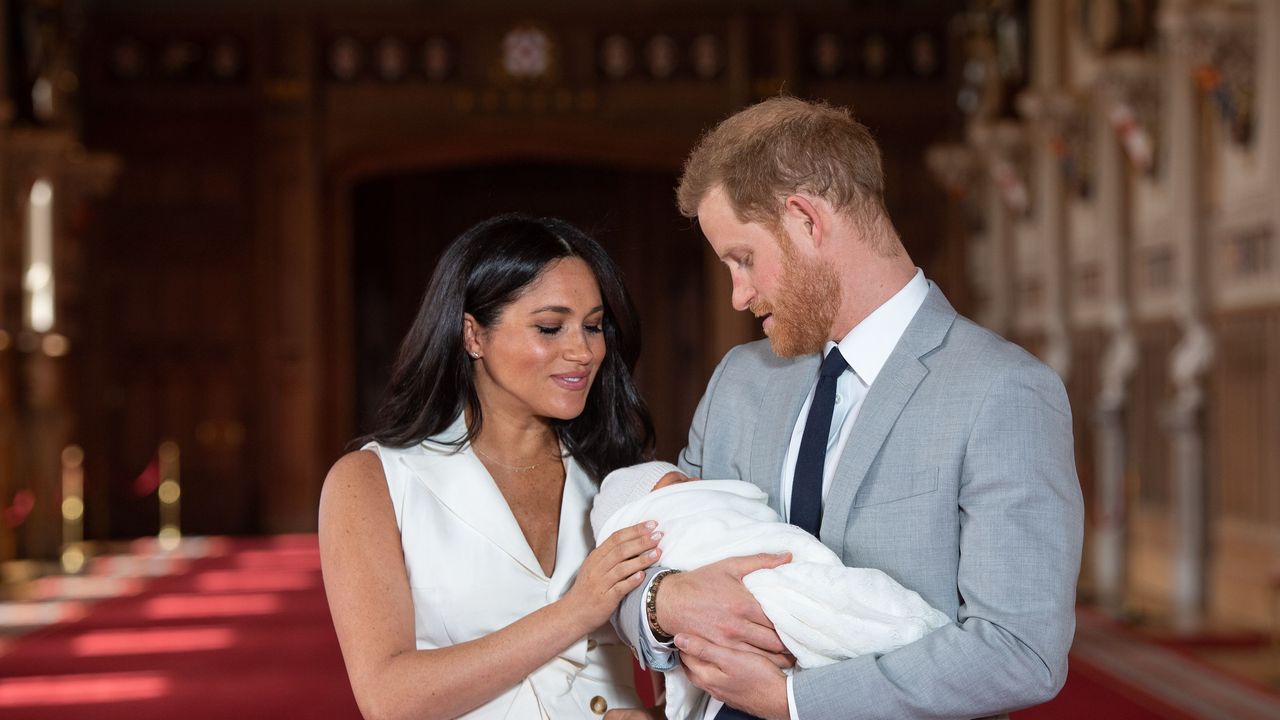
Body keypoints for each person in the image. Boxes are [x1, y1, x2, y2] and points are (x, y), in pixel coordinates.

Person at [614, 97, 1084, 720]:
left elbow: (1021, 650)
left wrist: (794, 702)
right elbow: (642, 553)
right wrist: (662, 603)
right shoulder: (740, 380)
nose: (738, 295)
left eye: (744, 259)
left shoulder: (1003, 391)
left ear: (806, 220)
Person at [319, 214, 666, 720]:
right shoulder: (373, 481)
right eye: (550, 327)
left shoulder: (624, 477)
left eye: (593, 326)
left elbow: (688, 675)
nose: (583, 350)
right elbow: (388, 699)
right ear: (473, 335)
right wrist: (574, 612)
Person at [592, 461, 950, 720]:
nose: (698, 481)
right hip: (724, 697)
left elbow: (1002, 645)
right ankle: (900, 625)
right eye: (681, 482)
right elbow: (624, 590)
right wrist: (666, 599)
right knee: (826, 607)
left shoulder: (994, 382)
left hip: (880, 694)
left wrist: (788, 700)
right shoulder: (731, 381)